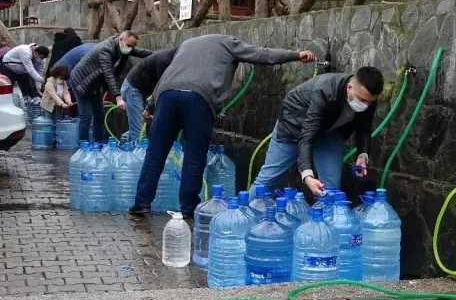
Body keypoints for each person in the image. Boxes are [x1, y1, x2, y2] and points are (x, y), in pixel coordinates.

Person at [129, 34, 317, 218]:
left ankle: (141, 203)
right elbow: (262, 54)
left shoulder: (186, 45)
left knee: (156, 153)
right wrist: (296, 55)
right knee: (194, 156)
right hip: (199, 97)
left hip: (167, 95)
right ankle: (188, 208)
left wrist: (150, 106)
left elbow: (165, 76)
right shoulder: (228, 42)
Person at [249, 66, 384, 197]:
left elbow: (364, 128)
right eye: (361, 100)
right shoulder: (325, 90)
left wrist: (363, 155)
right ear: (349, 87)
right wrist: (307, 175)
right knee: (268, 180)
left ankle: (323, 218)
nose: (365, 105)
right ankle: (245, 213)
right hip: (294, 127)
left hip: (330, 133)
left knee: (331, 190)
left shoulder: (368, 97)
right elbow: (307, 135)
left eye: (369, 102)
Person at [70, 30, 152, 143]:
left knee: (99, 115)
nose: (130, 48)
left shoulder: (123, 47)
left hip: (95, 83)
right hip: (81, 82)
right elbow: (108, 74)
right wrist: (118, 97)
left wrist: (159, 55)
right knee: (86, 115)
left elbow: (141, 52)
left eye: (133, 46)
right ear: (121, 40)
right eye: (129, 45)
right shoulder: (106, 50)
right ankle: (83, 146)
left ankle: (98, 144)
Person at [121, 46, 178, 145]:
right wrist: (149, 108)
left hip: (143, 88)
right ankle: (138, 156)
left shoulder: (173, 60)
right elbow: (162, 88)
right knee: (139, 132)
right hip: (132, 88)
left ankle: (127, 144)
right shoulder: (164, 61)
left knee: (137, 127)